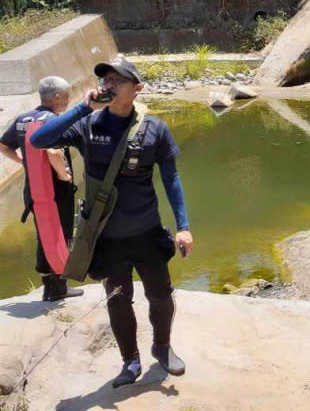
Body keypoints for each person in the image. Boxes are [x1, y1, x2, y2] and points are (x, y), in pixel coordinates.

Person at [30, 56, 193, 388]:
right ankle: (130, 360)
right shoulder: (88, 125)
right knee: (119, 299)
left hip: (147, 232)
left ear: (136, 89)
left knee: (161, 296)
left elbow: (172, 179)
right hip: (106, 236)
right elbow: (39, 140)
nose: (108, 84)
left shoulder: (155, 128)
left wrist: (183, 226)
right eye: (105, 79)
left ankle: (162, 348)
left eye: (118, 79)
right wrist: (80, 109)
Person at [0, 77, 83, 302]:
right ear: (56, 97)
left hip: (35, 190)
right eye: (66, 96)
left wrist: (23, 163)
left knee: (43, 233)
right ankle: (58, 287)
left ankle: (48, 285)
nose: (67, 100)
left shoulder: (23, 119)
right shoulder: (52, 120)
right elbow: (53, 152)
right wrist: (63, 175)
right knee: (60, 234)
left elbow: (3, 145)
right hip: (56, 190)